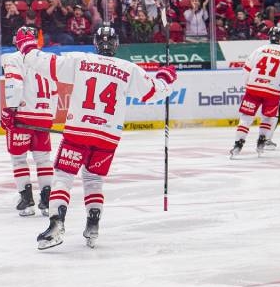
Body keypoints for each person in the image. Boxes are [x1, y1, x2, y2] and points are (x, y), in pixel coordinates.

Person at [14, 26, 176, 249]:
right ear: (116, 44)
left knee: (64, 176)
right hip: (108, 136)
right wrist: (165, 79)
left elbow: (44, 64)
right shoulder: (129, 69)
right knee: (93, 179)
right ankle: (93, 225)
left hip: (79, 131)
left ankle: (56, 225)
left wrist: (28, 46)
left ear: (96, 43)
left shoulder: (80, 60)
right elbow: (154, 92)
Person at [1, 26, 58, 217]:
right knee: (43, 160)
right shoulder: (48, 58)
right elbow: (56, 91)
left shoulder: (13, 59)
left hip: (23, 117)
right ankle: (47, 201)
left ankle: (26, 201)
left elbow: (14, 84)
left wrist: (10, 110)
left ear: (17, 42)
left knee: (18, 159)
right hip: (44, 118)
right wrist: (49, 115)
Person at [229, 27, 280, 159]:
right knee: (267, 117)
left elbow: (246, 69)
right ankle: (261, 141)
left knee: (246, 118)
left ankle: (238, 144)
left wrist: (247, 85)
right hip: (273, 91)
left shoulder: (259, 50)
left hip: (253, 88)